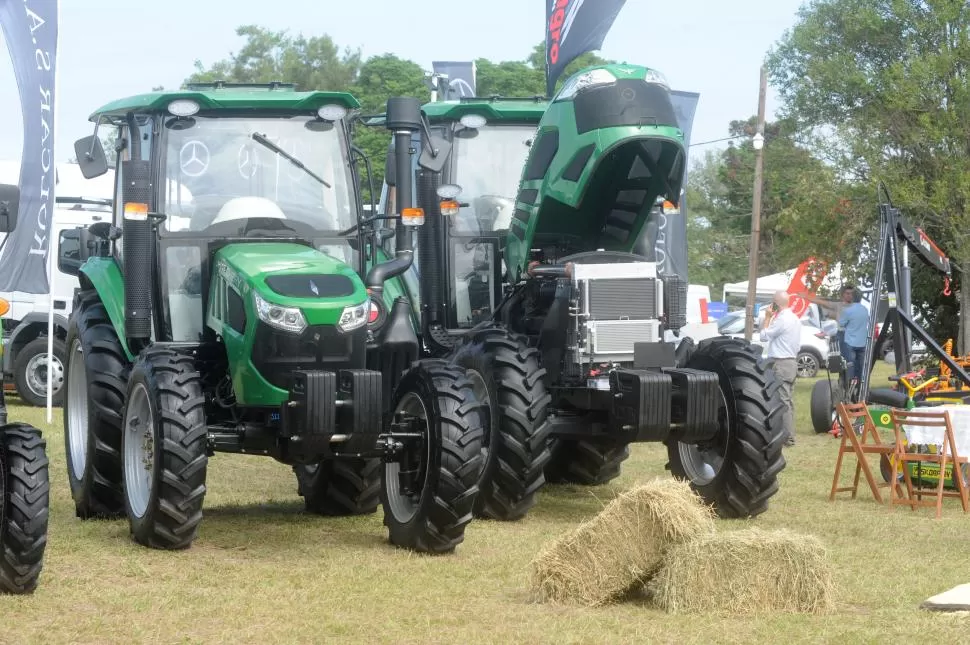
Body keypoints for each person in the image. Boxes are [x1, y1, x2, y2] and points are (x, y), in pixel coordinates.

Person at [760, 291, 801, 446]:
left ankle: (788, 437)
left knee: (782, 401)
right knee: (788, 400)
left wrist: (768, 318)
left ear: (776, 303)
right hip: (792, 362)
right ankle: (788, 434)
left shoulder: (781, 319)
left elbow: (764, 335)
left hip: (781, 363)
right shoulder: (795, 319)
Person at [838, 285, 869, 385]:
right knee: (860, 368)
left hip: (850, 342)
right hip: (862, 342)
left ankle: (849, 385)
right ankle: (860, 387)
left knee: (850, 366)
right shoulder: (865, 309)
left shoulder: (848, 310)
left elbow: (841, 324)